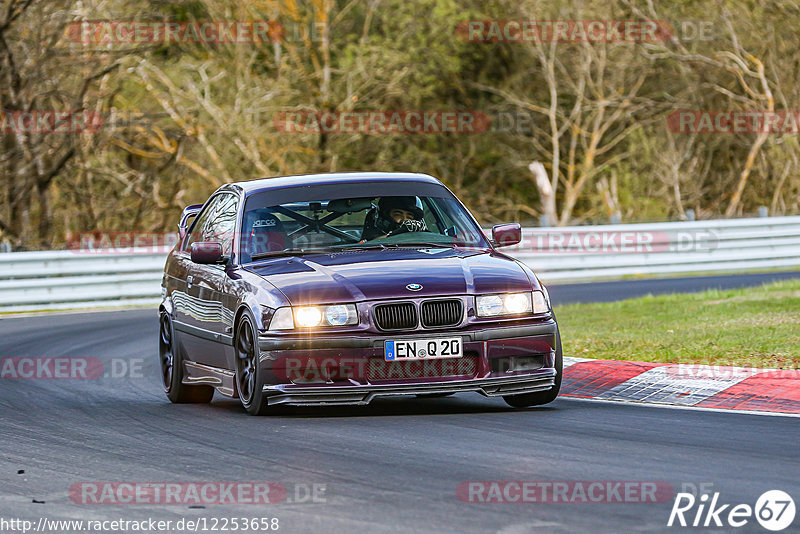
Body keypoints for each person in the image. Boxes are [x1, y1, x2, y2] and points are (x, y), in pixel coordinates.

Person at [361, 196, 428, 241]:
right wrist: (398, 233)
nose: (404, 220)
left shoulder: (426, 242)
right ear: (384, 216)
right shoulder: (372, 236)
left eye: (409, 217)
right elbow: (366, 245)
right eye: (398, 215)